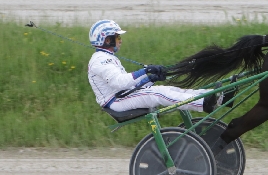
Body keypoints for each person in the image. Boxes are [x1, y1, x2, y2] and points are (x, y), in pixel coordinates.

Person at [87, 19, 226, 114]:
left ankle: (211, 96)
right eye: (118, 37)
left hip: (122, 95)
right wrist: (144, 71)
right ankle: (203, 103)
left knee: (168, 89)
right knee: (158, 94)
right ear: (107, 40)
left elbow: (127, 85)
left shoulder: (108, 57)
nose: (120, 41)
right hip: (115, 101)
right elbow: (119, 83)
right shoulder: (100, 60)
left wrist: (150, 79)